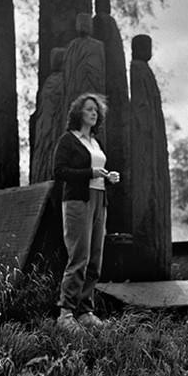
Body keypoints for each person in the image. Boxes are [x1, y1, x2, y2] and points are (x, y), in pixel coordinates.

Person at [53, 93, 120, 332]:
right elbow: (59, 171)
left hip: (99, 199)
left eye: (96, 110)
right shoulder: (68, 140)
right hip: (77, 201)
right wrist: (90, 173)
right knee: (79, 257)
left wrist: (108, 177)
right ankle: (65, 314)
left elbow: (97, 171)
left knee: (95, 259)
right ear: (78, 112)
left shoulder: (95, 142)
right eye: (89, 109)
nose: (94, 113)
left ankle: (85, 312)